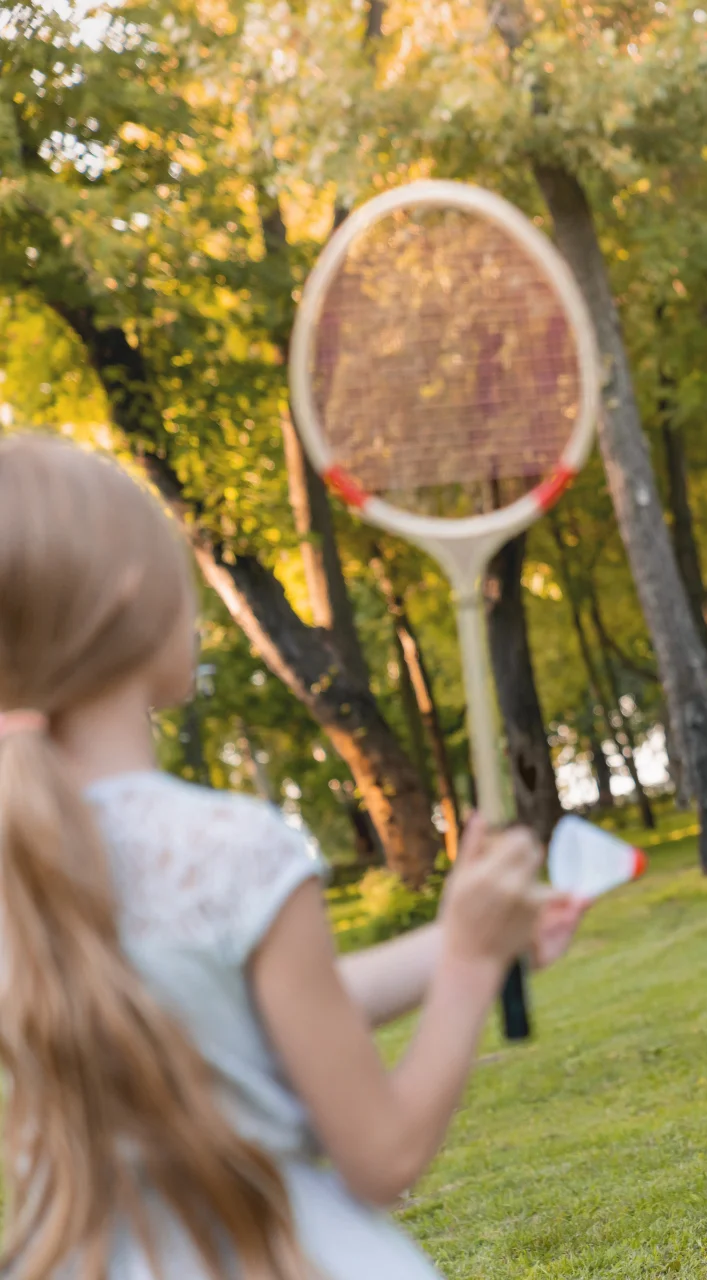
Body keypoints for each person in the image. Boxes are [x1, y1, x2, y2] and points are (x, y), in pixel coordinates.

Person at [0, 434, 594, 1277]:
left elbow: (239, 1011)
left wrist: (476, 936)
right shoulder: (228, 850)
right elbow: (381, 1156)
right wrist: (465, 965)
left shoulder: (23, 862)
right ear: (134, 598)